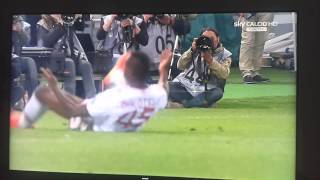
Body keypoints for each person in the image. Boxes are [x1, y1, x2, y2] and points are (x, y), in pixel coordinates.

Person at [18, 49, 172, 132]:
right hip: (112, 116)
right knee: (73, 99)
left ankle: (24, 124)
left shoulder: (115, 97)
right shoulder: (155, 94)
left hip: (93, 123)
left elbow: (73, 111)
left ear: (129, 72)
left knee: (42, 92)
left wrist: (54, 87)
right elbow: (163, 88)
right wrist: (163, 70)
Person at [168, 28, 232, 108]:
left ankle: (184, 104)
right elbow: (180, 66)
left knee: (218, 93)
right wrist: (191, 51)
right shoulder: (196, 47)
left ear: (218, 39)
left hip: (206, 90)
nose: (207, 41)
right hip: (185, 86)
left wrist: (210, 61)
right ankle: (201, 103)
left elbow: (224, 74)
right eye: (205, 38)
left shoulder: (224, 55)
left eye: (211, 39)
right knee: (166, 87)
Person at [37, 14, 96, 98]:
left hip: (71, 57)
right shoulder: (42, 24)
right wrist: (60, 26)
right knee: (70, 63)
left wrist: (77, 17)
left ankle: (91, 99)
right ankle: (69, 98)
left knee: (86, 65)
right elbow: (47, 42)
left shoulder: (67, 21)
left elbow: (81, 27)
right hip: (53, 61)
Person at [140, 14, 191, 81]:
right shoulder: (140, 18)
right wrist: (144, 20)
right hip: (145, 66)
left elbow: (186, 28)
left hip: (169, 65)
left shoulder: (172, 16)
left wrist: (170, 21)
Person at [238, 13, 274, 84]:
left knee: (260, 41)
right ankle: (247, 72)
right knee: (248, 41)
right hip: (248, 11)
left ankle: (254, 72)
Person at [11, 15, 39, 108]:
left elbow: (27, 41)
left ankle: (33, 99)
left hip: (17, 58)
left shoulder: (23, 25)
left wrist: (20, 30)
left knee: (30, 62)